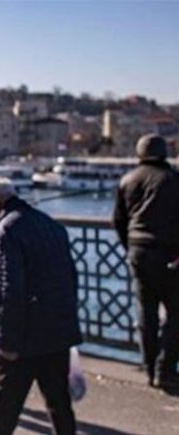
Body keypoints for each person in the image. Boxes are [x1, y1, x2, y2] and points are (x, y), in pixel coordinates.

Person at [0, 177, 82, 435]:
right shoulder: (51, 225)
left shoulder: (6, 231)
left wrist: (5, 343)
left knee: (4, 411)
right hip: (57, 335)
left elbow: (7, 291)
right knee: (60, 405)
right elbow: (71, 279)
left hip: (23, 339)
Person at [113, 134, 179, 389]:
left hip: (138, 253)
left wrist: (129, 247)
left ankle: (150, 369)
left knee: (146, 313)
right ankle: (165, 368)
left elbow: (118, 221)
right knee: (175, 312)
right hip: (168, 255)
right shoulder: (173, 179)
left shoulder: (127, 180)